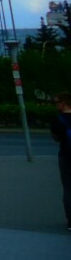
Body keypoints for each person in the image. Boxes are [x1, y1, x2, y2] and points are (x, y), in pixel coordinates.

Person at [50, 91, 71, 231]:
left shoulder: (58, 119)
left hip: (66, 156)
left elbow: (56, 138)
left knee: (68, 188)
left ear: (64, 103)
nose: (55, 105)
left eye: (57, 102)